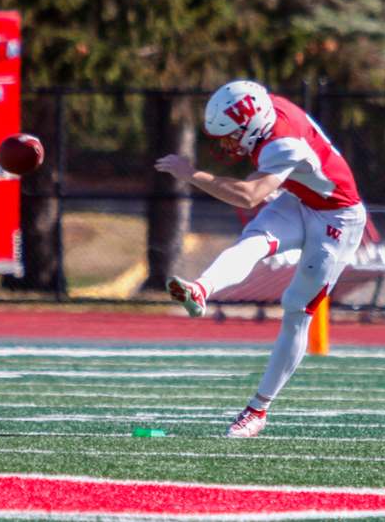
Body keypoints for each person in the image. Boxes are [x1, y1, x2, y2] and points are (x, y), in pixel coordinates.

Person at [154, 80, 366, 438]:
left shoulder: (283, 141)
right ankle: (201, 289)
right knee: (253, 241)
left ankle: (258, 410)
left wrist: (191, 175)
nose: (227, 143)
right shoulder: (269, 112)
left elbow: (250, 195)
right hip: (302, 200)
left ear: (251, 125)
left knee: (297, 310)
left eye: (232, 134)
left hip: (338, 219)